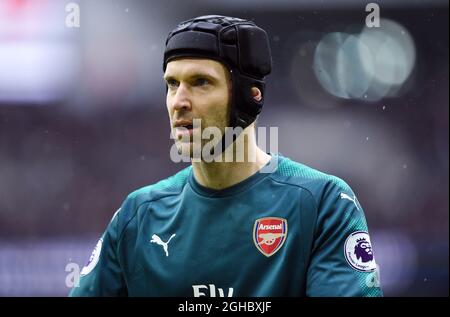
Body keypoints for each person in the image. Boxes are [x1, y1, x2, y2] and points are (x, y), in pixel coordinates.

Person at [70, 15, 382, 297]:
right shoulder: (137, 216)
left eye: (200, 82)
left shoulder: (321, 203)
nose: (178, 102)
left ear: (250, 97)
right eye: (171, 84)